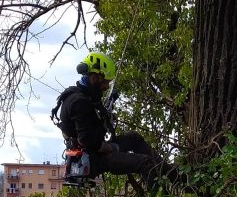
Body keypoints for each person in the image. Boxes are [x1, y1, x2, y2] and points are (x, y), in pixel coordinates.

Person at [52, 51, 169, 183]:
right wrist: (112, 148)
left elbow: (92, 123)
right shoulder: (79, 101)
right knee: (145, 163)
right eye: (105, 81)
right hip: (93, 158)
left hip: (96, 149)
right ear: (94, 77)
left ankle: (170, 173)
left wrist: (107, 116)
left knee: (133, 138)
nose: (106, 86)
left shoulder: (88, 96)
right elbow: (87, 141)